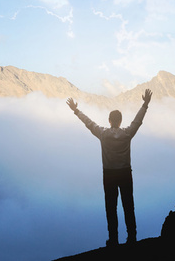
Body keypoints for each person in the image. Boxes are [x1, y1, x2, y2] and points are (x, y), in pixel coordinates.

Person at [66, 89, 152, 248]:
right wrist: (145, 104)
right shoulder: (127, 134)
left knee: (111, 208)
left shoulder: (103, 134)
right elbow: (137, 121)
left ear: (109, 120)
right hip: (126, 173)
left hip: (109, 175)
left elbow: (88, 122)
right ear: (120, 121)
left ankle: (113, 240)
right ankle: (132, 237)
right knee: (128, 206)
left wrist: (76, 110)